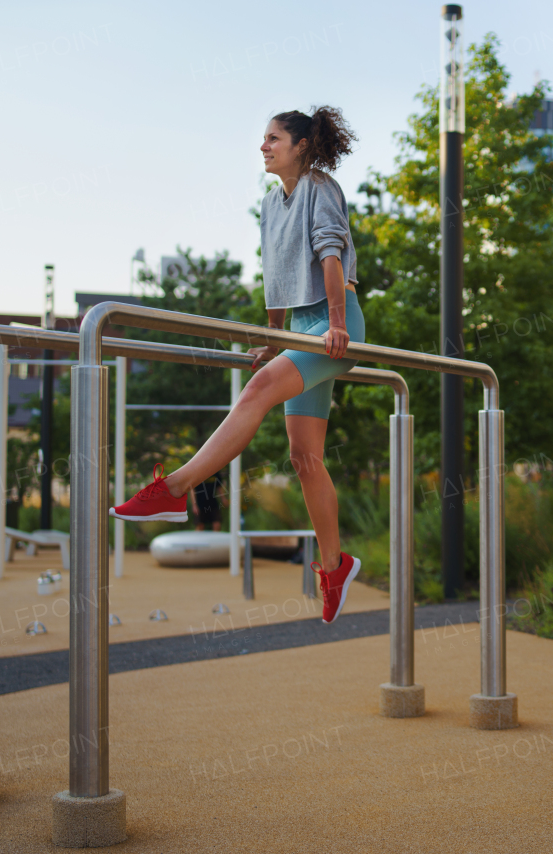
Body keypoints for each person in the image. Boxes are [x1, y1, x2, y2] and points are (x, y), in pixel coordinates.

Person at [111, 106, 366, 625]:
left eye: (273, 138)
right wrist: (273, 339)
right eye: (263, 139)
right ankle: (336, 566)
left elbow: (330, 256)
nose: (264, 146)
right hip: (298, 328)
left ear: (300, 144)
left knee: (255, 394)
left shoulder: (322, 188)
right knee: (304, 457)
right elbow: (277, 276)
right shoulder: (271, 205)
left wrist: (336, 323)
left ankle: (175, 488)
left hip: (335, 326)